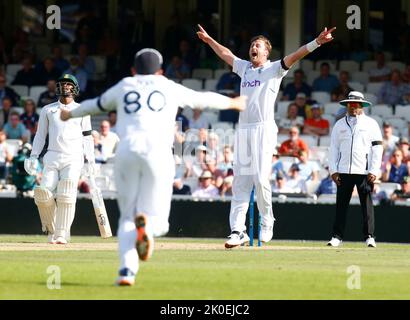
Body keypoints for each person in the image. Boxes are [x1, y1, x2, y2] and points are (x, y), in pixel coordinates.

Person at [59, 48, 246, 286]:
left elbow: (96, 105)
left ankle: (126, 271)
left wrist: (70, 114)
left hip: (126, 152)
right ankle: (147, 230)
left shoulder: (125, 84)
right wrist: (233, 102)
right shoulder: (168, 85)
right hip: (158, 153)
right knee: (159, 222)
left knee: (127, 217)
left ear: (134, 70)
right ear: (160, 71)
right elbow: (203, 99)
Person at [197, 23, 335, 248]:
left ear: (266, 52)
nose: (253, 47)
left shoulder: (275, 68)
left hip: (264, 128)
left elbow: (296, 55)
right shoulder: (244, 68)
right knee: (240, 182)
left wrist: (317, 42)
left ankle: (267, 220)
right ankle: (237, 231)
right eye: (252, 44)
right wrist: (209, 40)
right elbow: (226, 54)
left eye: (257, 45)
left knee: (260, 179)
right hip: (243, 128)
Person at [23, 74, 95, 245]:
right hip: (52, 156)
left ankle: (62, 233)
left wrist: (90, 159)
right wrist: (34, 155)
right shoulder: (48, 110)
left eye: (69, 85)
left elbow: (87, 137)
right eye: (62, 84)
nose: (65, 87)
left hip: (73, 157)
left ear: (75, 88)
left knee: (67, 192)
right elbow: (40, 136)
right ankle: (52, 229)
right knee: (43, 193)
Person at [327, 91, 383, 248]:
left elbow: (377, 148)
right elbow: (333, 149)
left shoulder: (371, 124)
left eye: (355, 104)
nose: (352, 107)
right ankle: (337, 237)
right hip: (343, 171)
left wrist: (374, 169)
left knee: (366, 206)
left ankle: (369, 237)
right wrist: (333, 170)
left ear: (362, 105)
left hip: (364, 172)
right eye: (349, 104)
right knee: (341, 206)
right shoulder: (339, 125)